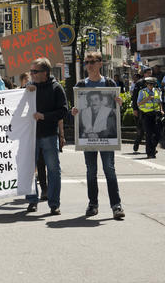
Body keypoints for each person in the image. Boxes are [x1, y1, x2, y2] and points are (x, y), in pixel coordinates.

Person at [71, 51, 125, 219]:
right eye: (87, 62)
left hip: (107, 137)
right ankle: (93, 204)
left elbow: (115, 113)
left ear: (100, 63)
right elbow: (75, 110)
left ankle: (116, 205)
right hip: (87, 137)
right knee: (91, 171)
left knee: (109, 169)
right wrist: (73, 112)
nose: (89, 65)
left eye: (92, 62)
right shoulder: (81, 85)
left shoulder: (108, 83)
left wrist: (119, 104)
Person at [25, 57, 68, 215]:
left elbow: (63, 111)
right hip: (31, 135)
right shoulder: (29, 88)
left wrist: (44, 116)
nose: (32, 74)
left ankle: (54, 203)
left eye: (34, 71)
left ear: (45, 73)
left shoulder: (56, 88)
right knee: (29, 169)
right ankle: (32, 200)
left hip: (49, 134)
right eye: (31, 71)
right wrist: (25, 91)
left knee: (53, 170)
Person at [137, 76, 162, 159]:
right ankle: (150, 153)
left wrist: (161, 110)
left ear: (154, 85)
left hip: (156, 115)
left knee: (158, 134)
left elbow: (159, 102)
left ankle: (152, 148)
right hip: (146, 115)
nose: (150, 86)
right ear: (146, 84)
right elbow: (139, 104)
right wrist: (147, 99)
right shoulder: (142, 92)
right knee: (149, 134)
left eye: (152, 84)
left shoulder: (157, 91)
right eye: (149, 84)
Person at [131, 67, 152, 153]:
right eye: (148, 73)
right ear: (144, 74)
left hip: (151, 109)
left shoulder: (153, 82)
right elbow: (135, 97)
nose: (150, 75)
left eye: (151, 73)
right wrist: (135, 109)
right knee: (141, 130)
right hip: (141, 110)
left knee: (150, 130)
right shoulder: (139, 83)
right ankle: (137, 143)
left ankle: (151, 148)